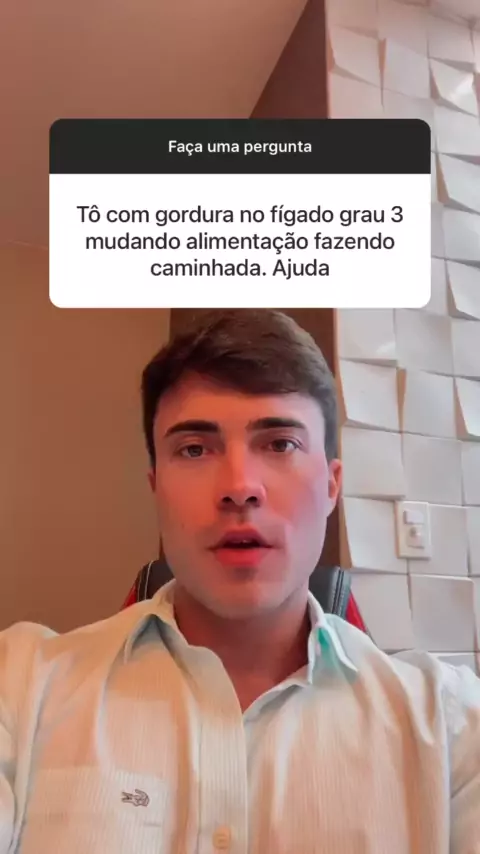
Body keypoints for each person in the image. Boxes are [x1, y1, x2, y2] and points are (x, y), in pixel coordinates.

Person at [0, 309, 479, 854]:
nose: (239, 487)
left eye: (280, 443)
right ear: (156, 488)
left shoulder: (451, 727)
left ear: (331, 486)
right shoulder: (20, 687)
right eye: (194, 449)